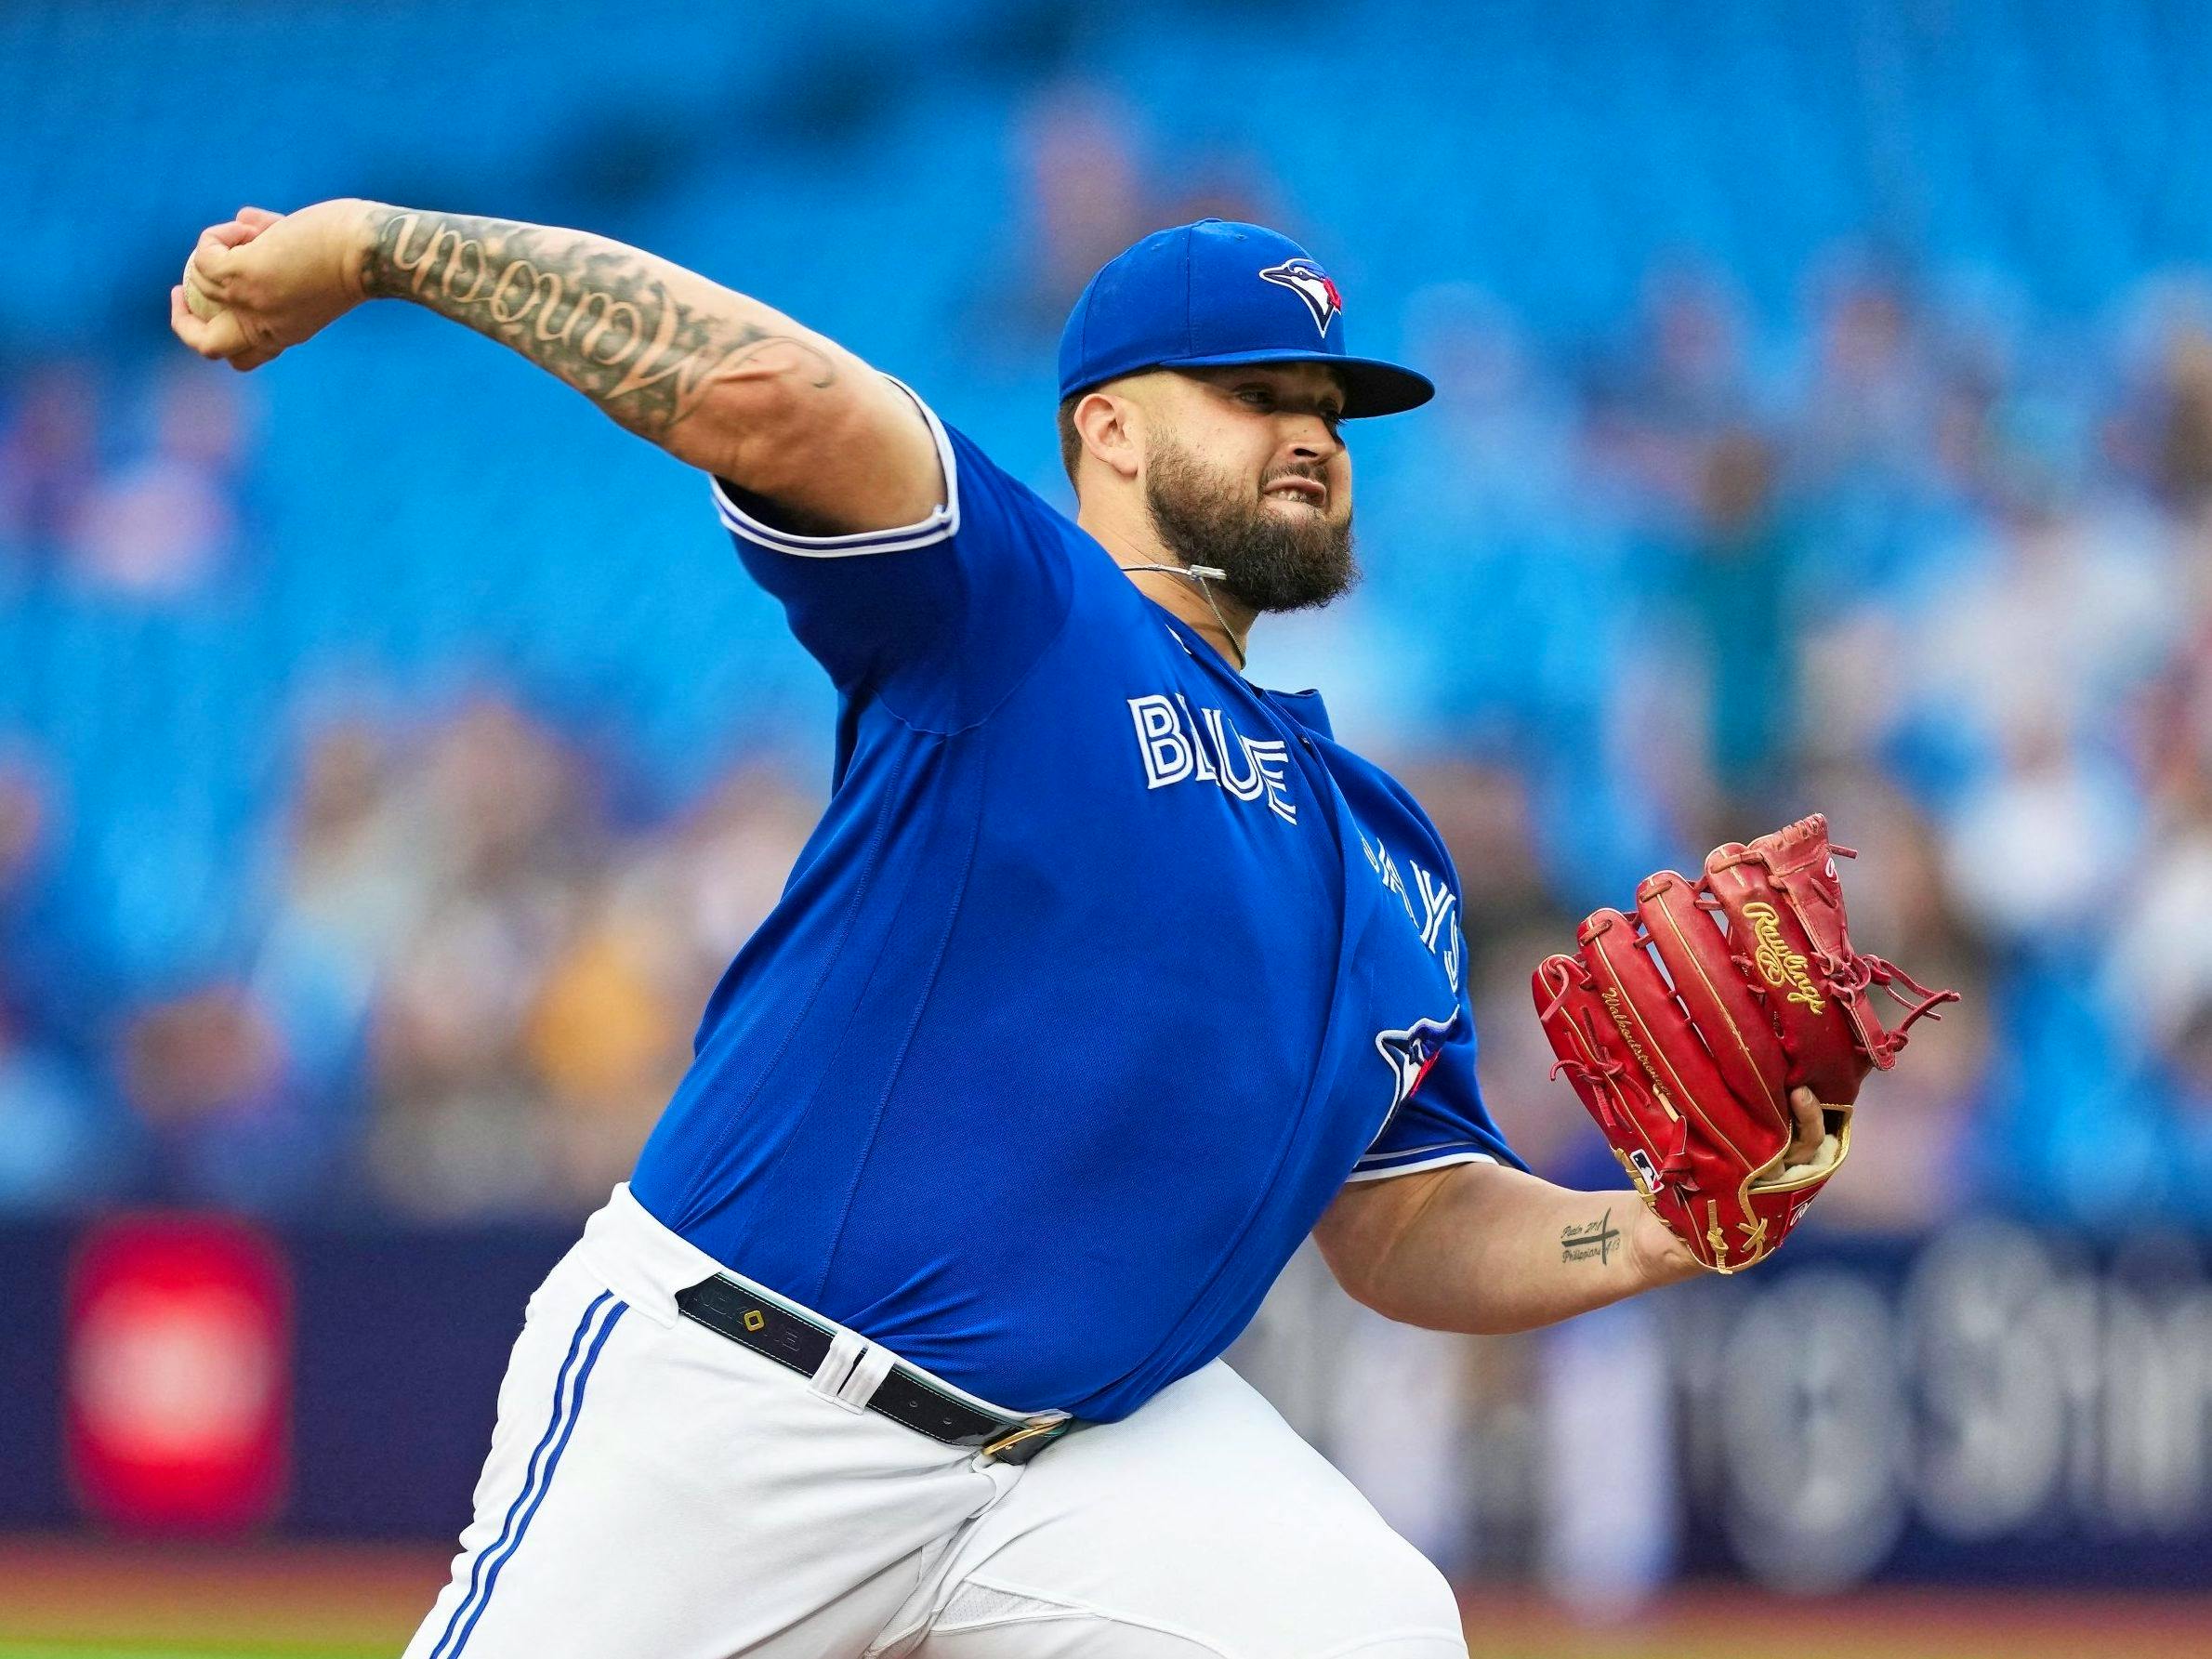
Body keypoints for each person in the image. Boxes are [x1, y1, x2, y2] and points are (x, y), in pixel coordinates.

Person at [173, 204, 1818, 1658]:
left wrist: (1657, 1231)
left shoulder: (1388, 851)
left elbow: (1401, 1223)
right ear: (1103, 426)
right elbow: (772, 395)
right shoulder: (1014, 608)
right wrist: (383, 246)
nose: (1310, 430)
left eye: (1328, 403)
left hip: (1076, 1462)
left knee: (1373, 1628)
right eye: (1255, 393)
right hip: (742, 1403)